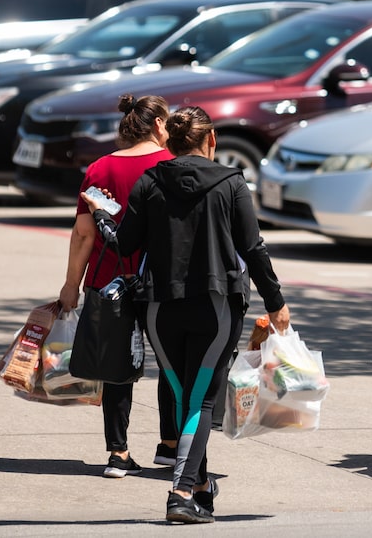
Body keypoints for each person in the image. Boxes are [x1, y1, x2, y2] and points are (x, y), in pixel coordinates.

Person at [81, 105, 290, 524]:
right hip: (215, 305)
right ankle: (179, 492)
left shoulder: (149, 182)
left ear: (171, 142)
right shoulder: (231, 182)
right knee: (200, 400)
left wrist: (104, 216)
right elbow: (253, 248)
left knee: (186, 398)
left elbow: (124, 245)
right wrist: (276, 301)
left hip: (159, 308)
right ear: (210, 139)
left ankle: (199, 485)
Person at [59, 93, 178, 478]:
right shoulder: (171, 166)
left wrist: (70, 285)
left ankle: (118, 453)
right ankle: (170, 445)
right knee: (171, 363)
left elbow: (83, 234)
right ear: (159, 124)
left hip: (108, 281)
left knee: (115, 369)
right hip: (161, 284)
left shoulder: (99, 168)